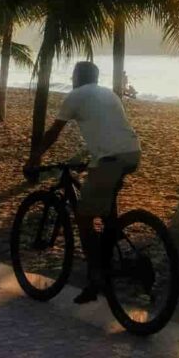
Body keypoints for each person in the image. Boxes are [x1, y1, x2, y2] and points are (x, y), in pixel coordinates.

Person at [24, 61, 140, 305]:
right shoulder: (108, 94)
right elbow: (106, 131)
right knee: (105, 209)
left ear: (77, 76)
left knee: (83, 216)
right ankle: (111, 245)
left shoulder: (75, 96)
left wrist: (34, 158)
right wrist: (82, 158)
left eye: (73, 74)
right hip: (131, 154)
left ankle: (96, 277)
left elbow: (54, 132)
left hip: (110, 159)